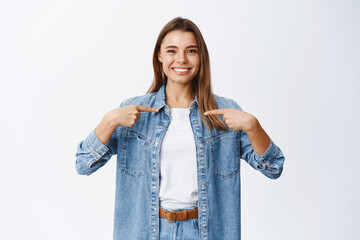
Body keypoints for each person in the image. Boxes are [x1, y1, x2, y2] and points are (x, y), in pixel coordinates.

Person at [75, 16, 285, 240]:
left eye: (191, 51)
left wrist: (253, 126)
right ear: (160, 56)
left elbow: (273, 168)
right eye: (172, 51)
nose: (181, 59)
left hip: (205, 231)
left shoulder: (225, 111)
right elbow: (83, 163)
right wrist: (109, 121)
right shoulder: (133, 112)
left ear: (201, 56)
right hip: (148, 231)